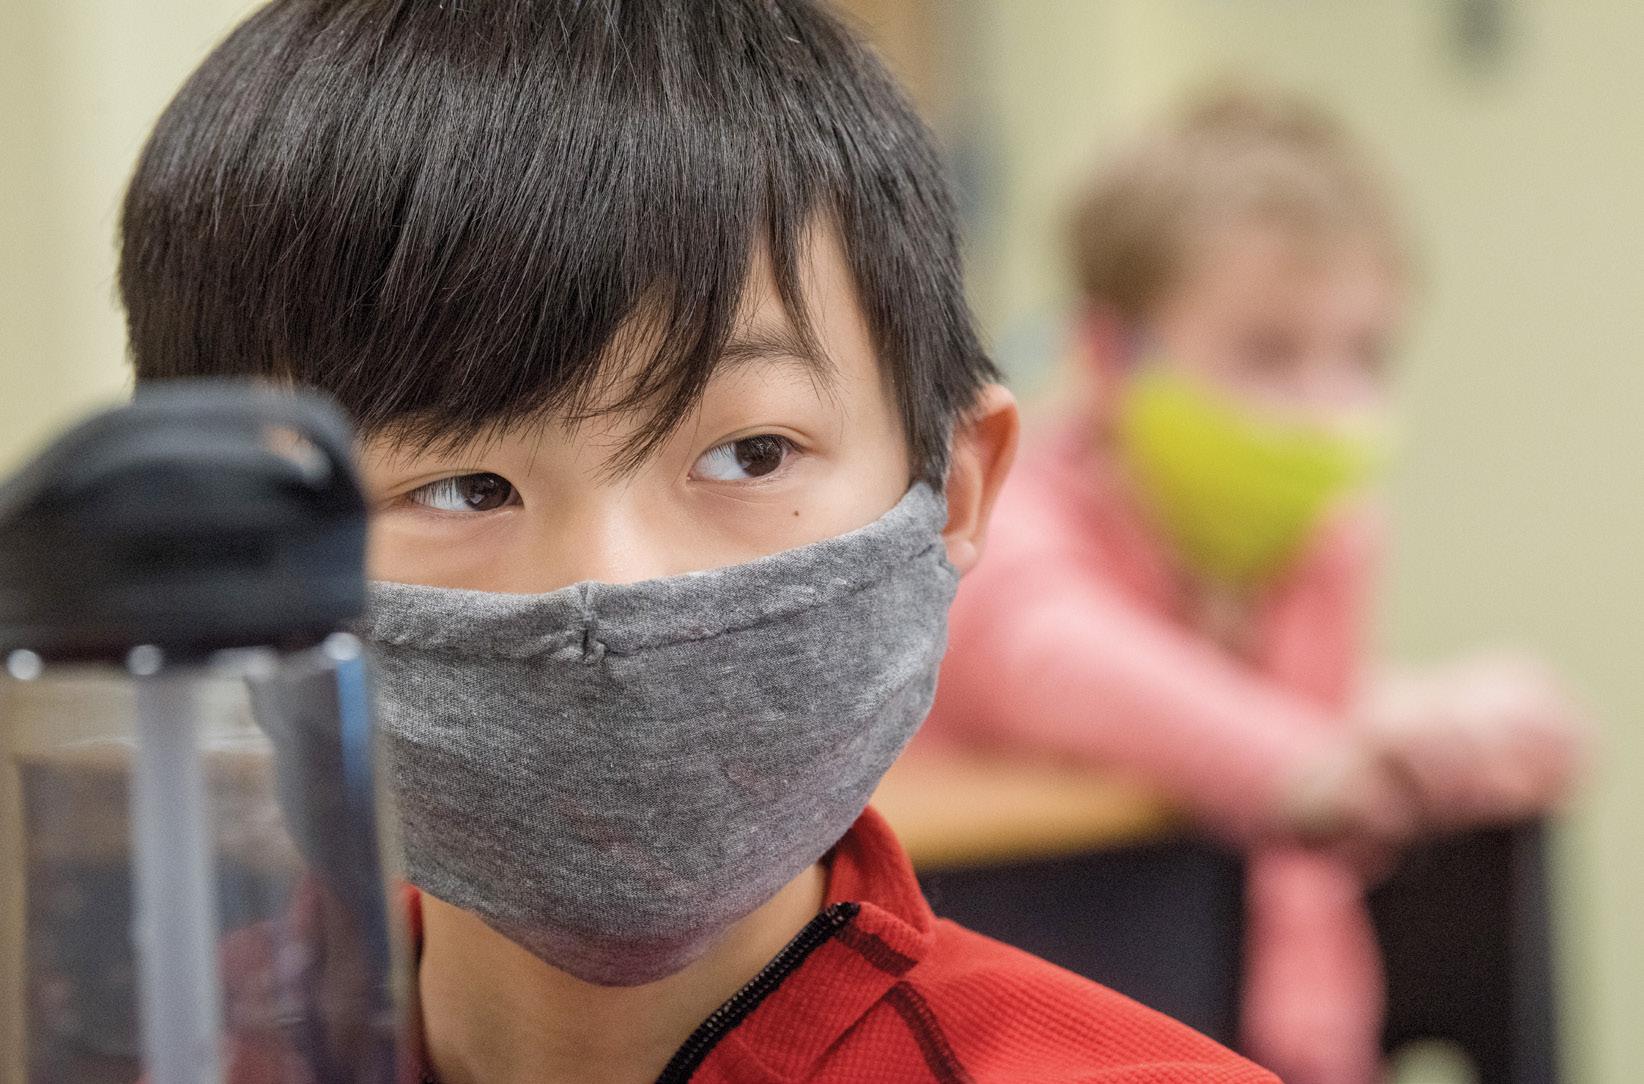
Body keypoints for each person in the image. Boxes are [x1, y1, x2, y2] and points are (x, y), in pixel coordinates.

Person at [115, 3, 1280, 1082]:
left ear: (958, 489)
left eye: (752, 454)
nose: (613, 592)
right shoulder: (156, 1053)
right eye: (465, 486)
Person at [922, 88, 1587, 1084]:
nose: (1329, 406)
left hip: (1281, 1029)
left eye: (1367, 355)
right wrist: (1308, 760)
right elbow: (1053, 658)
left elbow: (1296, 721)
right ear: (1109, 353)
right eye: (1268, 353)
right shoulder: (1008, 511)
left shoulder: (1316, 542)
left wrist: (1441, 726)